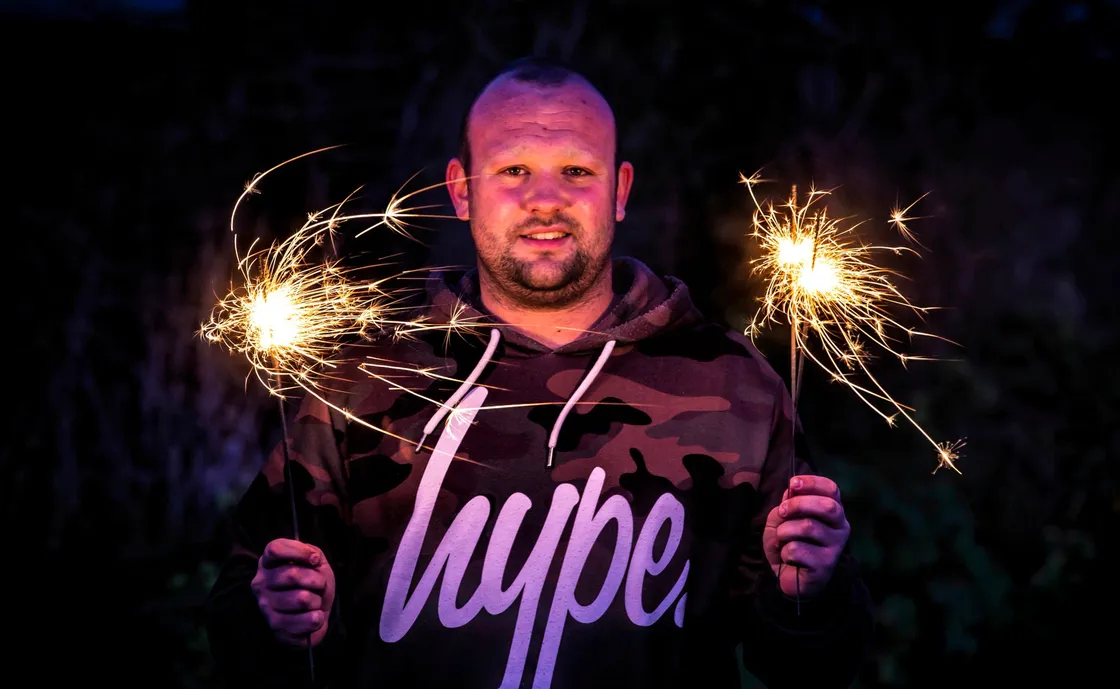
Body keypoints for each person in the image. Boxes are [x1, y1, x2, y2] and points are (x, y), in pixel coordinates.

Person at [206, 56, 875, 689]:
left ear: (620, 190)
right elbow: (243, 634)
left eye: (578, 172)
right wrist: (280, 622)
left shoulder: (734, 389)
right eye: (514, 170)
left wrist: (811, 594)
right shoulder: (363, 380)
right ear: (461, 191)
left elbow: (811, 669)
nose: (546, 199)